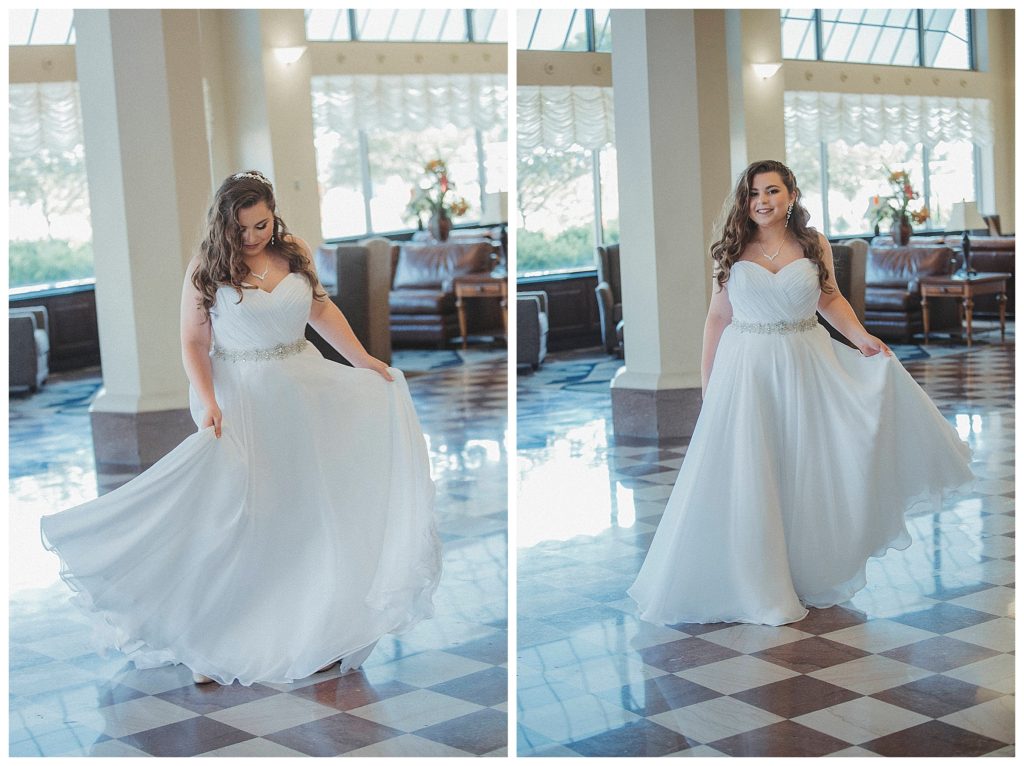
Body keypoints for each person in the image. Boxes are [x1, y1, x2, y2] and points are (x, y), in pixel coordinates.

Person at [41, 170, 441, 685]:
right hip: (244, 397)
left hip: (305, 390)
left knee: (311, 510)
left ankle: (317, 631)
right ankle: (213, 639)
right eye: (242, 228)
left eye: (261, 225)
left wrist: (363, 360)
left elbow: (320, 308)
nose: (252, 237)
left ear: (274, 215)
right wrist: (208, 402)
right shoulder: (206, 266)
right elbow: (192, 341)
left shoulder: (293, 250)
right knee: (244, 514)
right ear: (222, 223)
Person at [628, 160, 973, 627]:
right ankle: (753, 580)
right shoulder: (732, 248)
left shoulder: (814, 244)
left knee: (807, 467)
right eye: (753, 193)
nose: (762, 201)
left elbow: (829, 298)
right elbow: (716, 318)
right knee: (753, 470)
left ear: (791, 194)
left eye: (772, 190)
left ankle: (806, 570)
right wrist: (709, 384)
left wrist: (861, 338)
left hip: (806, 361)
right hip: (747, 370)